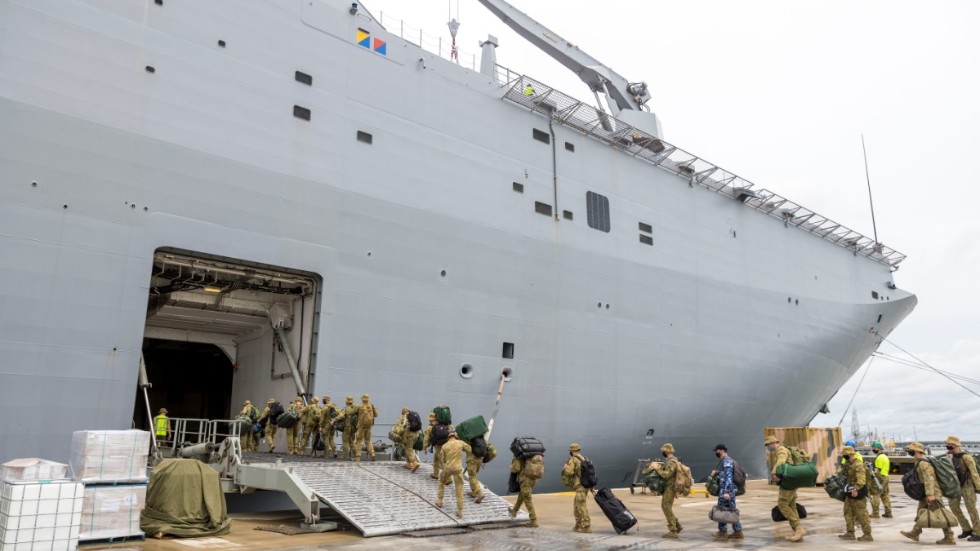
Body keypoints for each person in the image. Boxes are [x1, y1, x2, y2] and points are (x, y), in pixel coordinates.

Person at [901, 441, 957, 545]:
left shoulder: (924, 463)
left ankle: (949, 537)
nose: (909, 451)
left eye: (911, 450)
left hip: (933, 493)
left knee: (940, 514)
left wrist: (930, 494)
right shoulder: (919, 461)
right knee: (921, 512)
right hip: (926, 492)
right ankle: (915, 532)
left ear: (918, 451)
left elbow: (929, 479)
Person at [767, 435, 805, 542]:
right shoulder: (781, 450)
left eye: (768, 445)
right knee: (791, 505)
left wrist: (774, 472)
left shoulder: (781, 451)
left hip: (788, 482)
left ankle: (798, 528)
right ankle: (797, 530)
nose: (768, 447)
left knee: (782, 504)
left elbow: (781, 462)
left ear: (774, 443)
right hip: (791, 480)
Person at [946, 436, 980, 541]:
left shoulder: (966, 457)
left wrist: (978, 487)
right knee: (953, 506)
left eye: (949, 445)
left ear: (955, 445)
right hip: (955, 486)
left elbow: (974, 473)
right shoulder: (950, 457)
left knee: (971, 509)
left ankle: (978, 532)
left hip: (967, 485)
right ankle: (966, 528)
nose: (947, 446)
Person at [837, 445, 873, 541]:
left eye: (844, 455)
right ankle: (850, 532)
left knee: (862, 514)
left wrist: (855, 489)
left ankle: (867, 534)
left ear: (849, 454)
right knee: (847, 512)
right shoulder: (849, 464)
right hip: (850, 491)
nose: (843, 457)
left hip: (858, 492)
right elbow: (840, 473)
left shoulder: (858, 465)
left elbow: (861, 480)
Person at [649, 443, 683, 538]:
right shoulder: (669, 461)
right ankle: (677, 526)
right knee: (666, 507)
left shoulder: (672, 462)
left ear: (667, 451)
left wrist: (657, 468)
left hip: (670, 488)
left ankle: (673, 530)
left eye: (663, 451)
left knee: (666, 507)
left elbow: (666, 475)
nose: (662, 453)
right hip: (668, 487)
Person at [434, 432, 472, 518]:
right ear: (455, 436)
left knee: (441, 481)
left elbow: (442, 459)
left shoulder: (444, 446)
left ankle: (440, 501)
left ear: (448, 437)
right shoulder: (460, 442)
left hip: (448, 468)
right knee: (459, 487)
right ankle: (460, 510)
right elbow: (469, 449)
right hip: (458, 469)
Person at [709, 444, 743, 539]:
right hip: (724, 489)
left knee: (730, 510)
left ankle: (736, 531)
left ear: (722, 450)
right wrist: (717, 473)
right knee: (723, 509)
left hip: (727, 490)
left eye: (717, 450)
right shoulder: (724, 461)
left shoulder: (727, 461)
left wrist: (726, 492)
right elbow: (725, 474)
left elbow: (729, 477)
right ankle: (726, 531)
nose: (716, 452)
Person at [561, 443, 592, 533]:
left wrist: (565, 468)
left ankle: (587, 526)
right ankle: (578, 524)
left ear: (572, 451)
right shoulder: (585, 458)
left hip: (580, 486)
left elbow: (569, 472)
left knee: (581, 506)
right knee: (576, 506)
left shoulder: (574, 459)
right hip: (585, 486)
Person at [509, 454, 539, 527]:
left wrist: (511, 467)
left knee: (527, 499)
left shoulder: (518, 456)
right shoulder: (532, 455)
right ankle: (514, 511)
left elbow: (516, 469)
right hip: (533, 479)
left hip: (525, 480)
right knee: (522, 495)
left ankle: (533, 520)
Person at [869, 441, 893, 518]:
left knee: (876, 495)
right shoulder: (885, 456)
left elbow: (877, 470)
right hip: (886, 477)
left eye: (874, 448)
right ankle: (888, 512)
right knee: (885, 495)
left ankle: (875, 514)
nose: (873, 449)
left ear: (879, 448)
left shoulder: (879, 458)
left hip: (880, 478)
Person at [354, 393, 378, 461]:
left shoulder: (359, 406)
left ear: (362, 399)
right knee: (368, 441)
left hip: (361, 426)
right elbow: (376, 415)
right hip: (369, 426)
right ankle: (372, 453)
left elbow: (352, 412)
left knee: (359, 441)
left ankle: (358, 457)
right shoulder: (371, 405)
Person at [397, 408, 421, 473]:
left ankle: (414, 463)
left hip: (409, 435)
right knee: (409, 448)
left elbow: (401, 428)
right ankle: (408, 464)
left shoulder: (404, 418)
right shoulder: (414, 415)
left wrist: (398, 433)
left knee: (408, 449)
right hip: (416, 434)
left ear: (403, 413)